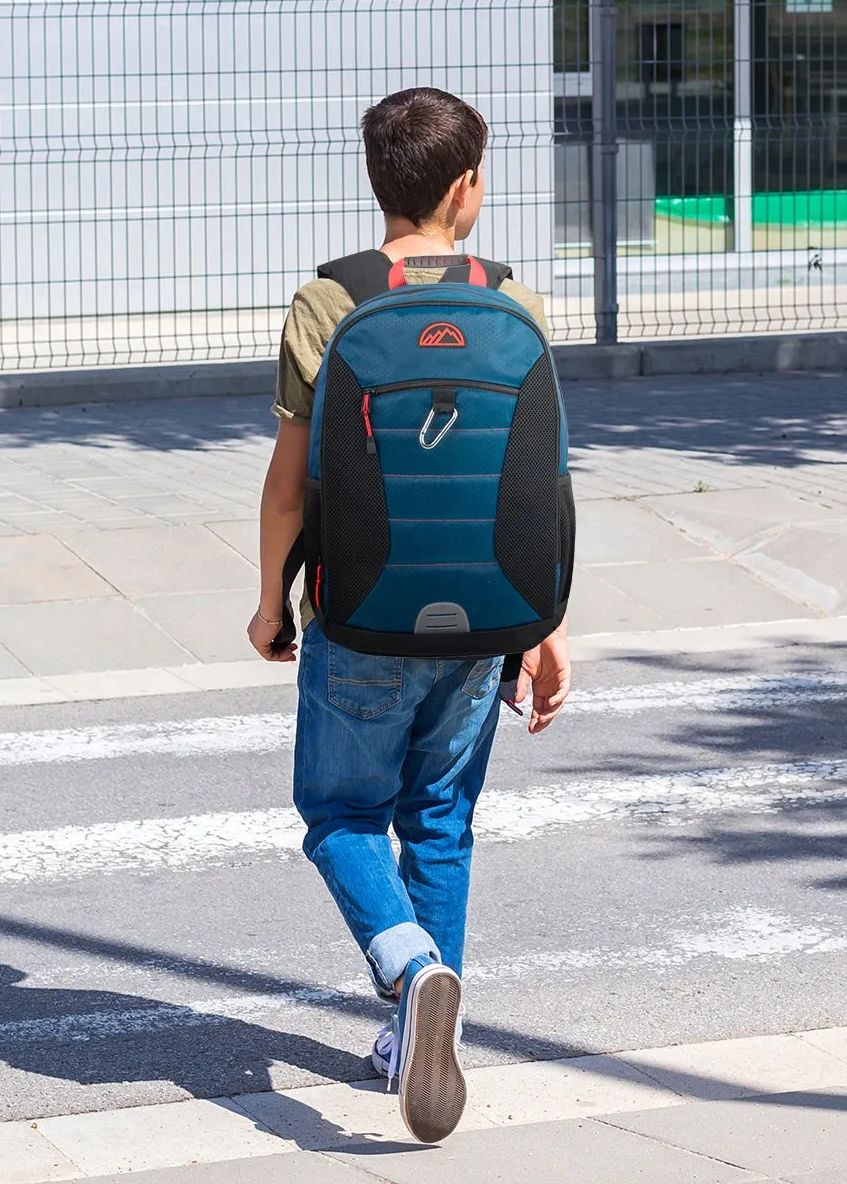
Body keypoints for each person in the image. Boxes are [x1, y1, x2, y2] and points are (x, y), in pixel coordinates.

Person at [247, 85, 572, 1144]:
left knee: (340, 815)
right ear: (467, 187)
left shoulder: (326, 301)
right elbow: (534, 480)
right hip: (486, 620)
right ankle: (412, 1035)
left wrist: (267, 603)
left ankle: (407, 965)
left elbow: (289, 485)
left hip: (360, 614)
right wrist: (546, 618)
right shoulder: (513, 301)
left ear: (375, 183)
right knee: (439, 817)